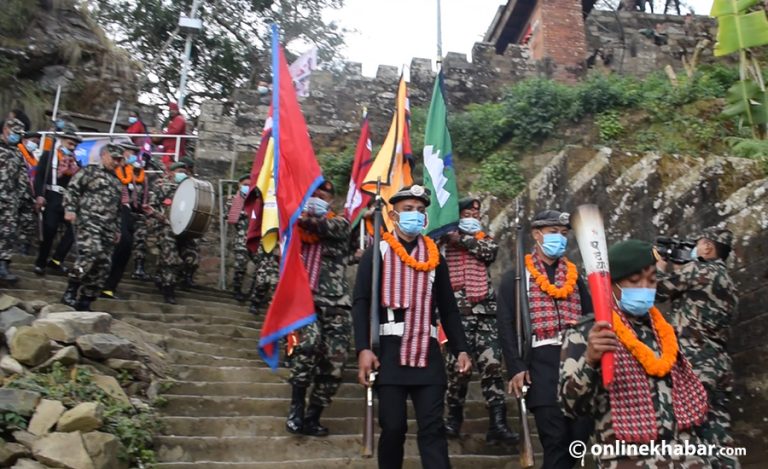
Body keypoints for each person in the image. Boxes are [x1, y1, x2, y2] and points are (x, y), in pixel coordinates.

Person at [559, 239, 711, 467]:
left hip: (686, 457)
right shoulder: (587, 333)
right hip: (628, 458)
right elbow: (570, 406)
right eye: (634, 281)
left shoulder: (664, 331)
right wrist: (590, 360)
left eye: (651, 281)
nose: (644, 288)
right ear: (612, 285)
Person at [353, 184, 472, 469]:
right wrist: (362, 349)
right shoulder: (376, 253)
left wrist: (461, 349)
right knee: (393, 428)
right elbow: (361, 302)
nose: (415, 216)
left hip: (427, 355)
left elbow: (448, 308)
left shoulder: (434, 258)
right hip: (389, 353)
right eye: (408, 210)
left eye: (420, 211)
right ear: (393, 216)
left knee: (433, 429)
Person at [496, 209, 593, 469]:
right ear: (537, 235)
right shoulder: (515, 278)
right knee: (555, 438)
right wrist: (516, 367)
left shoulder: (575, 277)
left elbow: (590, 315)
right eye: (553, 233)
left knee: (579, 438)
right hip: (541, 363)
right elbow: (505, 326)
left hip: (577, 362)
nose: (559, 238)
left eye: (563, 234)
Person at [656, 228, 740, 469]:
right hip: (720, 367)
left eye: (699, 243)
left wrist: (661, 263)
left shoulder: (699, 270)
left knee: (688, 435)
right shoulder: (730, 285)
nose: (695, 248)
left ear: (708, 248)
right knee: (719, 438)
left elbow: (658, 290)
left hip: (695, 366)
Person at [441, 197, 518, 443]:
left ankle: (498, 423)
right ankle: (452, 419)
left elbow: (488, 252)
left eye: (476, 212)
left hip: (485, 312)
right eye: (467, 212)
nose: (473, 215)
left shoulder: (483, 239)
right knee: (458, 370)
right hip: (456, 314)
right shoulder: (443, 239)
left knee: (493, 367)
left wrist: (461, 239)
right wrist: (449, 235)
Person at [286, 181, 352, 436]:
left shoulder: (341, 223)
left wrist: (296, 215)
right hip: (304, 302)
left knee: (335, 363)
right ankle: (296, 409)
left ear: (331, 200)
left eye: (323, 194)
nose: (318, 197)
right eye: (313, 194)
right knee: (307, 347)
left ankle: (314, 415)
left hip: (335, 303)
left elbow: (323, 226)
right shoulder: (294, 227)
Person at [60, 144, 123, 311]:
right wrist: (70, 209)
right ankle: (71, 290)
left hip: (108, 228)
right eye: (113, 158)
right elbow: (72, 189)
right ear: (104, 155)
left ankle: (86, 299)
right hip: (89, 221)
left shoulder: (117, 181)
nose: (116, 162)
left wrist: (117, 229)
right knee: (91, 253)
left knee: (103, 264)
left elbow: (117, 208)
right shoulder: (90, 171)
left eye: (119, 159)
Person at [33, 123, 81, 276]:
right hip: (51, 196)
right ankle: (40, 262)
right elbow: (39, 176)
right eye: (70, 143)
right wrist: (39, 195)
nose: (72, 147)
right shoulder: (49, 156)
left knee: (75, 229)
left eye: (75, 145)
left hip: (67, 199)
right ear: (62, 141)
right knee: (49, 229)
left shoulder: (76, 163)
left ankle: (57, 260)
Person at [146, 161, 194, 304]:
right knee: (170, 258)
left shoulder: (190, 189)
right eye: (179, 171)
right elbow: (151, 207)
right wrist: (160, 217)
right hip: (166, 228)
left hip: (184, 230)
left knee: (191, 258)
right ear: (171, 173)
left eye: (185, 172)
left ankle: (162, 277)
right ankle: (169, 289)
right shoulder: (162, 187)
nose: (183, 174)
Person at [101, 142, 143, 299]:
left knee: (126, 246)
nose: (130, 156)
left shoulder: (133, 172)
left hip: (127, 210)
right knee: (116, 244)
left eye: (133, 153)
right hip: (108, 210)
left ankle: (110, 287)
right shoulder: (108, 171)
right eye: (128, 152)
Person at [0, 118, 34, 284]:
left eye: (19, 134)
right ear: (6, 129)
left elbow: (22, 177)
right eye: (14, 132)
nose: (16, 136)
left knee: (7, 233)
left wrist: (22, 197)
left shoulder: (17, 153)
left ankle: (3, 266)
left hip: (10, 200)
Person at [225, 174, 254, 301]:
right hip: (242, 237)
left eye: (250, 185)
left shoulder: (256, 200)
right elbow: (231, 217)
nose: (247, 187)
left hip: (255, 238)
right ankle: (237, 290)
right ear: (239, 185)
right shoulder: (233, 199)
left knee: (262, 266)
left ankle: (252, 293)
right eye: (245, 185)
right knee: (240, 264)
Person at [16, 131, 41, 254]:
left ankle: (23, 247)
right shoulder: (16, 153)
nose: (35, 145)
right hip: (14, 192)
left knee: (28, 222)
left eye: (37, 143)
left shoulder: (34, 158)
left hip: (29, 194)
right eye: (33, 142)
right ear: (25, 141)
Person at [161, 102, 187, 168]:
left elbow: (176, 130)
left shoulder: (179, 119)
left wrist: (164, 135)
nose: (171, 111)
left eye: (173, 110)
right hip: (171, 149)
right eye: (170, 110)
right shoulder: (175, 120)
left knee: (169, 166)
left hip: (174, 149)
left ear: (177, 110)